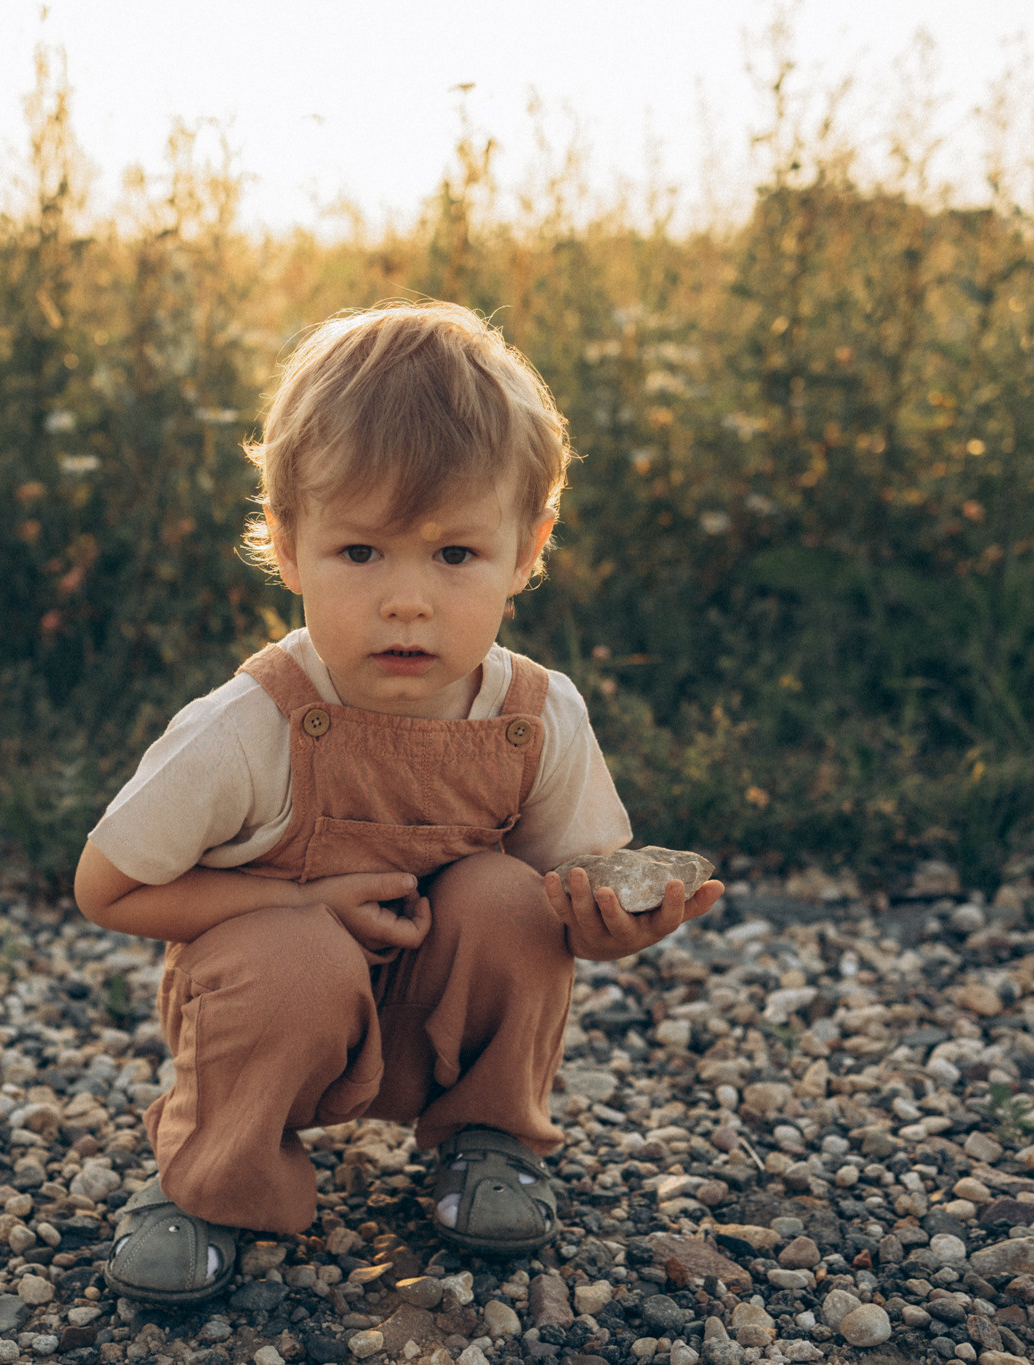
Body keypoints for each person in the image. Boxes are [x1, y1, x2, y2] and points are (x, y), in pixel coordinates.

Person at [73, 300, 724, 1304]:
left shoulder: (536, 714)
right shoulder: (248, 725)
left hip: (437, 1007)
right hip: (276, 1003)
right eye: (360, 553)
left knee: (512, 898)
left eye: (454, 555)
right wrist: (293, 905)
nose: (406, 600)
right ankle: (208, 1178)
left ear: (526, 549)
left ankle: (486, 1136)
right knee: (289, 956)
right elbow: (105, 888)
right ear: (287, 547)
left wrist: (607, 928)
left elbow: (566, 895)